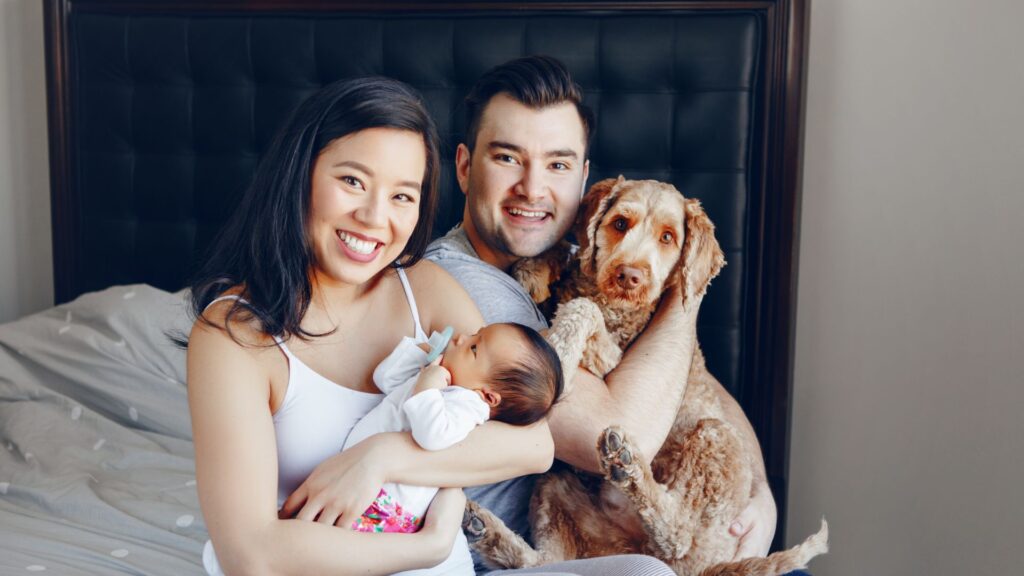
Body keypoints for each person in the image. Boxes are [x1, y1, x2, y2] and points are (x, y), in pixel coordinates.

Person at [423, 55, 785, 574]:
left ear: (584, 178)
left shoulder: (584, 261)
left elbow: (698, 384)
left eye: (558, 164)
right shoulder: (464, 283)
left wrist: (760, 490)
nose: (532, 188)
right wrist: (683, 285)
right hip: (536, 557)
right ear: (463, 166)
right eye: (507, 158)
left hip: (630, 540)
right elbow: (618, 440)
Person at [187, 77, 554, 576]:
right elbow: (250, 554)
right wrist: (427, 546)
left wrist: (380, 457)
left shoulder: (425, 288)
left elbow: (535, 445)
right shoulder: (234, 336)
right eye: (353, 181)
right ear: (299, 174)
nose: (374, 217)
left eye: (402, 196)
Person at [342, 322, 563, 575]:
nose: (461, 338)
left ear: (487, 396)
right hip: (365, 488)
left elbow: (432, 435)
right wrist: (422, 356)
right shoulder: (441, 384)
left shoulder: (468, 405)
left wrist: (428, 385)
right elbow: (385, 377)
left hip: (385, 505)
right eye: (475, 334)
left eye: (474, 347)